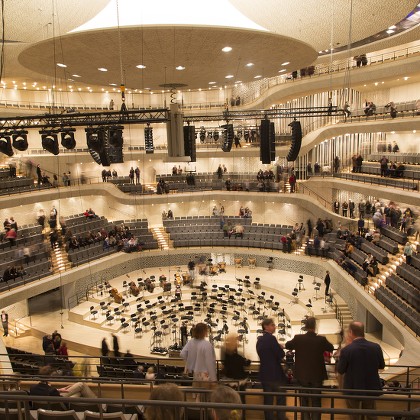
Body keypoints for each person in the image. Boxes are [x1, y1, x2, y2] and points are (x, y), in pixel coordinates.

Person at [285, 317, 334, 420]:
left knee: (304, 402)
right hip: (317, 376)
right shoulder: (321, 339)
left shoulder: (298, 338)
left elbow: (287, 345)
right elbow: (330, 347)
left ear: (306, 327)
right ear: (315, 326)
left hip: (302, 375)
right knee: (316, 402)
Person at [337, 322, 385, 420]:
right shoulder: (376, 347)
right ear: (363, 332)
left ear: (350, 332)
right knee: (371, 415)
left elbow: (341, 370)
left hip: (352, 388)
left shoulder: (347, 350)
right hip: (370, 387)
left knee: (354, 416)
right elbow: (381, 365)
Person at [256, 318, 287, 420]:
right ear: (266, 326)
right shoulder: (271, 339)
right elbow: (280, 354)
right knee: (280, 398)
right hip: (275, 374)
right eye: (273, 325)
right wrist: (280, 348)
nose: (275, 327)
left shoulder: (259, 340)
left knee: (268, 401)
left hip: (264, 374)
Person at [180, 322, 217, 386]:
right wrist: (214, 379)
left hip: (196, 374)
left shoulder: (191, 341)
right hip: (206, 375)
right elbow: (210, 363)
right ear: (204, 332)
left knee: (197, 393)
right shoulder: (207, 344)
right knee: (205, 394)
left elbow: (182, 354)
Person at [221, 333, 250, 402]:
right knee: (240, 399)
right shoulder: (238, 357)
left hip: (229, 379)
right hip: (238, 380)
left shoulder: (226, 355)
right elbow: (245, 363)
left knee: (230, 399)